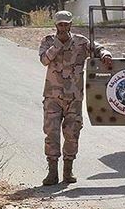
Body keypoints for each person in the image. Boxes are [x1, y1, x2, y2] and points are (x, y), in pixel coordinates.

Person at [38, 10, 113, 186]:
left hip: (74, 97)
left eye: (66, 24)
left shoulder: (81, 42)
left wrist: (105, 54)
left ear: (71, 24)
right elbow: (44, 60)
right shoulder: (48, 41)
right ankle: (52, 172)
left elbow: (97, 48)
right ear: (55, 25)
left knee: (72, 133)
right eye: (60, 24)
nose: (63, 27)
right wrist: (58, 44)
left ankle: (68, 170)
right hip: (52, 97)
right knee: (51, 134)